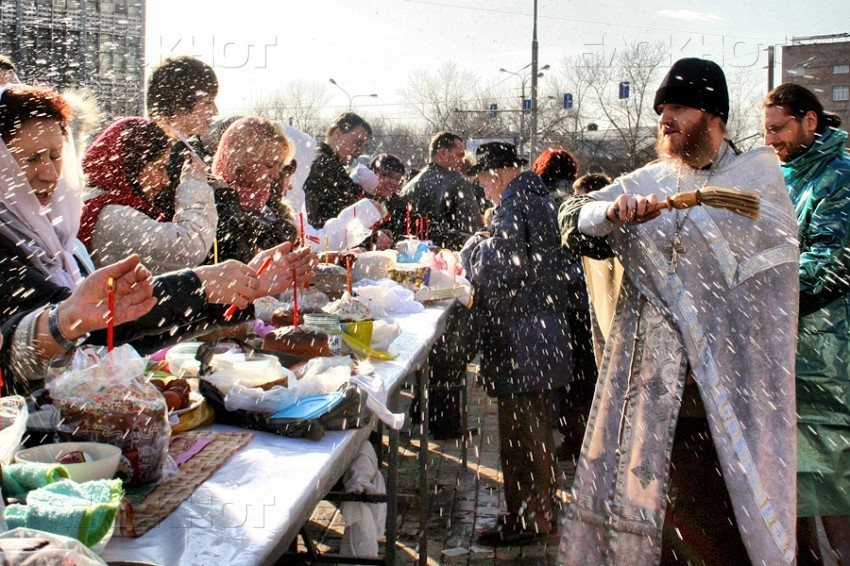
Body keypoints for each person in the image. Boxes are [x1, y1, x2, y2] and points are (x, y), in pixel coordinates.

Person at [557, 58, 799, 564]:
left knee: (725, 524)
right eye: (661, 110)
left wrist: (693, 227)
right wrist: (610, 215)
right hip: (657, 392)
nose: (664, 120)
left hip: (736, 387)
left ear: (714, 116)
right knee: (665, 523)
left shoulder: (757, 178)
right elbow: (571, 217)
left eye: (679, 108)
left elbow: (770, 275)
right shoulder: (653, 179)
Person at [0, 85, 312, 395]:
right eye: (29, 159)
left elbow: (118, 329)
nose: (49, 174)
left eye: (55, 156)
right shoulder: (95, 219)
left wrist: (236, 289)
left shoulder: (62, 244)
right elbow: (66, 334)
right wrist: (201, 286)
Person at [460, 142, 573, 546]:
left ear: (495, 173)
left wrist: (472, 248)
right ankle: (536, 513)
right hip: (542, 334)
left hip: (523, 337)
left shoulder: (515, 200)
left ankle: (529, 522)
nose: (483, 190)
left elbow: (502, 266)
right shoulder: (536, 195)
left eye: (482, 181)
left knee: (523, 439)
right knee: (535, 435)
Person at [763, 83, 850, 565]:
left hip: (833, 361)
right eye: (767, 131)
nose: (771, 140)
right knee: (796, 486)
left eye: (779, 129)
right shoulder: (788, 177)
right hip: (796, 355)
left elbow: (831, 265)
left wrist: (757, 286)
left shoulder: (840, 178)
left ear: (809, 122)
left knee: (838, 489)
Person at [79, 117, 217, 274]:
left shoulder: (107, 204)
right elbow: (189, 247)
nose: (165, 181)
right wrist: (194, 182)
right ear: (133, 166)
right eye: (159, 169)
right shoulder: (111, 216)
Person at [208, 116, 299, 264]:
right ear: (241, 161)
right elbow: (239, 258)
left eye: (280, 166)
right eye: (269, 165)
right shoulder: (212, 202)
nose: (276, 175)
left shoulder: (266, 202)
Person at [146, 56, 219, 219]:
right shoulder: (172, 153)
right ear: (179, 103)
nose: (215, 111)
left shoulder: (172, 147)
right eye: (208, 102)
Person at [400, 131, 483, 249]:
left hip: (413, 255)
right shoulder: (457, 182)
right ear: (443, 152)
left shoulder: (408, 187)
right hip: (450, 256)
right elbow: (473, 229)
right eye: (460, 155)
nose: (462, 160)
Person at [303, 112, 373, 226]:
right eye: (357, 143)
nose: (360, 151)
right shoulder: (325, 166)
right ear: (338, 134)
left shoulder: (325, 162)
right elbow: (334, 221)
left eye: (364, 146)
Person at [367, 153, 407, 243]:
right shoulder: (356, 198)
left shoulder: (398, 204)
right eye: (385, 175)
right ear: (371, 174)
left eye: (397, 178)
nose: (392, 182)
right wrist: (373, 238)